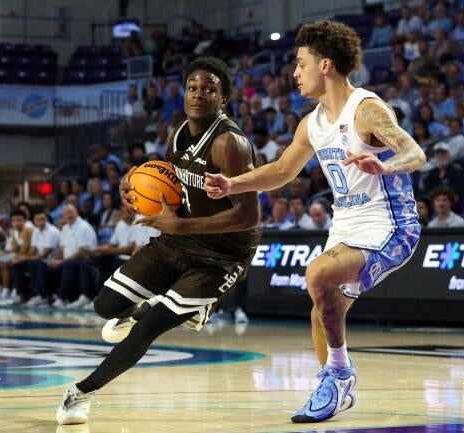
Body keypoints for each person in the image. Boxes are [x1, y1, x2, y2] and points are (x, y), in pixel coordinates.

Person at [204, 21, 425, 423]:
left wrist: (387, 166)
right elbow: (282, 170)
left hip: (391, 225)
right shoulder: (312, 123)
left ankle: (339, 374)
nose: (294, 72)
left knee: (318, 274)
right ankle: (335, 386)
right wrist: (232, 182)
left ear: (325, 65)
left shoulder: (367, 109)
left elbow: (415, 153)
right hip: (346, 226)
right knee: (323, 311)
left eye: (300, 63)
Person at [55, 56, 260, 425]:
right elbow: (173, 188)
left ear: (224, 98)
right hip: (176, 240)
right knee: (105, 305)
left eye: (209, 89)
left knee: (151, 327)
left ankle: (80, 393)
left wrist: (182, 227)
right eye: (193, 88)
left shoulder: (230, 144)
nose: (199, 94)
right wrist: (134, 188)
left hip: (223, 255)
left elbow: (249, 216)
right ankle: (169, 308)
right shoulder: (177, 134)